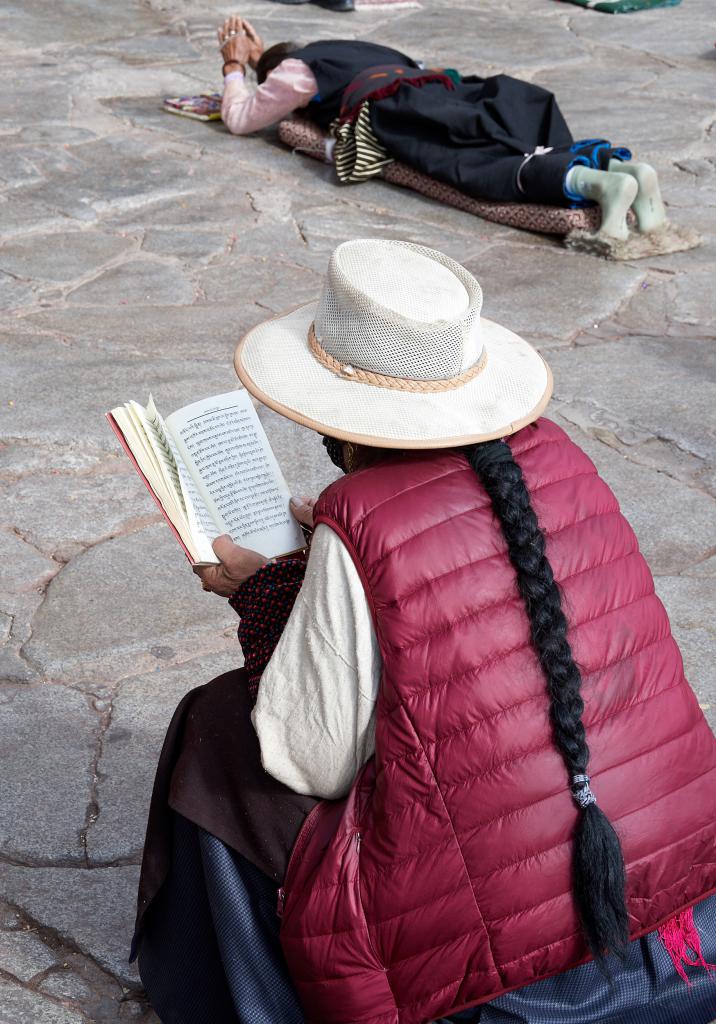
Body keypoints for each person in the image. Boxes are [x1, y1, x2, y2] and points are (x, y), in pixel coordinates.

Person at [133, 238, 716, 1024]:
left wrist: (269, 591)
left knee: (221, 726)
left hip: (495, 939)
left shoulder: (357, 519)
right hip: (670, 863)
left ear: (337, 407)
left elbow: (316, 763)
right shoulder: (557, 458)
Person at [216, 17, 667, 242]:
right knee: (511, 129)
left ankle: (596, 185)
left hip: (400, 110)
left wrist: (236, 64)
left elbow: (240, 119)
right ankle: (624, 169)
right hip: (448, 90)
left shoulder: (295, 71)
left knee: (467, 162)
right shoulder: (349, 45)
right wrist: (260, 57)